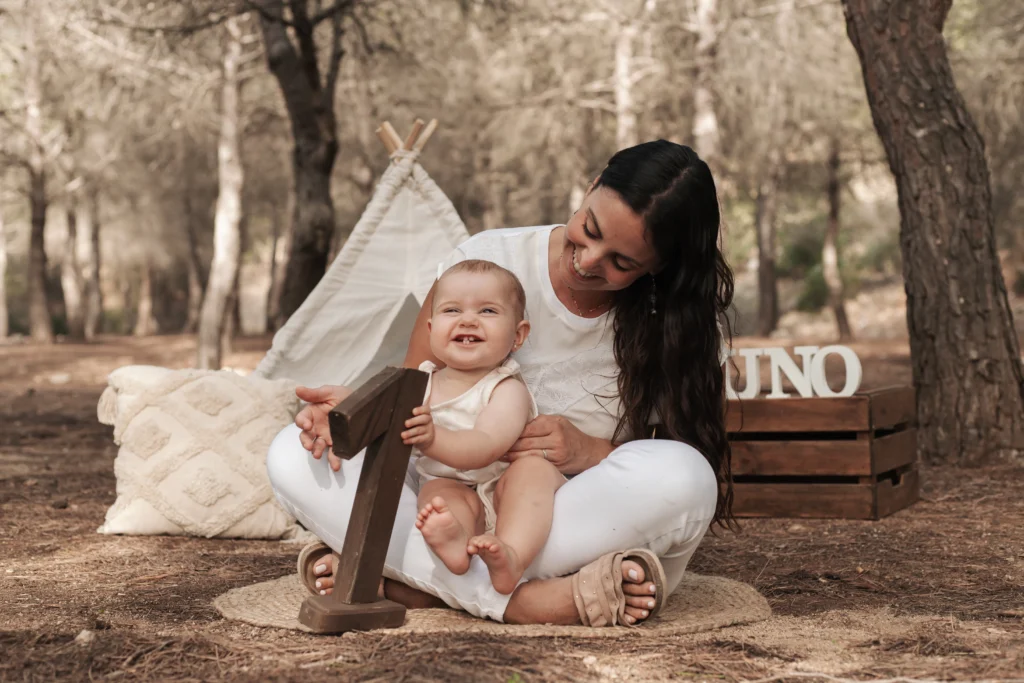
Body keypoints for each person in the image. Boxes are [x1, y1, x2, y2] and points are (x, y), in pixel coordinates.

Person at [268, 139, 734, 627]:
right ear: (593, 184)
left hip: (566, 517)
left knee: (685, 475)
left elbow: (674, 446)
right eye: (590, 229)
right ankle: (533, 602)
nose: (589, 260)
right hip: (447, 490)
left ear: (658, 267)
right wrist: (355, 414)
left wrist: (591, 451)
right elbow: (414, 390)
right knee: (290, 454)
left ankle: (416, 584)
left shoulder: (676, 324)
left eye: (622, 263)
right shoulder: (489, 258)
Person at [402, 259, 564, 594]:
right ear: (431, 330)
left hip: (506, 489)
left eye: (488, 311)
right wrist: (342, 402)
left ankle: (513, 555)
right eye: (452, 310)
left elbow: (485, 444)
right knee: (437, 497)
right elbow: (382, 412)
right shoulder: (422, 383)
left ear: (518, 335)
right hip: (453, 486)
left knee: (533, 473)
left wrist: (433, 439)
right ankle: (456, 540)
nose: (468, 320)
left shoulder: (506, 388)